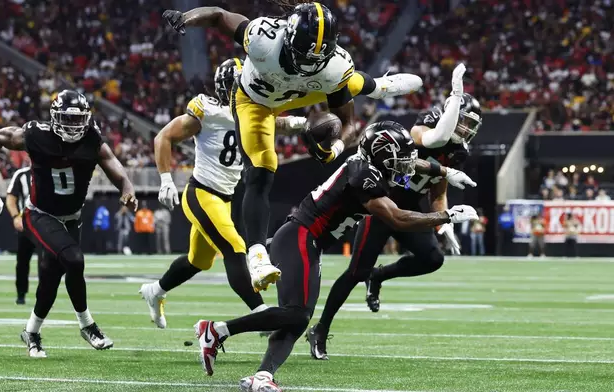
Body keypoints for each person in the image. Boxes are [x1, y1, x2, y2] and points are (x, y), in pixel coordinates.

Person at [192, 121, 479, 391]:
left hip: (309, 240)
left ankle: (262, 375)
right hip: (300, 235)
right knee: (297, 313)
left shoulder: (370, 165)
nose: (405, 164)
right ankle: (217, 330)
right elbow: (398, 218)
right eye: (399, 157)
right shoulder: (363, 174)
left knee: (297, 317)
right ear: (381, 155)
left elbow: (411, 162)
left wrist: (444, 172)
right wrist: (445, 216)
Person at [162, 2, 423, 291]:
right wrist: (185, 17)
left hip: (299, 93)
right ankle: (258, 256)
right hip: (256, 101)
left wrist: (334, 149)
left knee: (355, 84)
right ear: (289, 37)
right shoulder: (264, 38)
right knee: (262, 167)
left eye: (319, 56)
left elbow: (347, 124)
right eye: (305, 52)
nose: (310, 61)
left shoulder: (334, 65)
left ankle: (380, 87)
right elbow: (219, 15)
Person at [307, 79, 483, 358]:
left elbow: (438, 188)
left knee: (433, 259)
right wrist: (444, 177)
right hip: (378, 204)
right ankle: (321, 328)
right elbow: (421, 152)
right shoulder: (429, 125)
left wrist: (443, 221)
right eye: (464, 122)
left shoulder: (458, 151)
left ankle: (379, 276)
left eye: (472, 125)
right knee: (355, 272)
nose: (467, 130)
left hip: (410, 209)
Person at [140, 58, 306, 328]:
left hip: (224, 198)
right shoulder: (208, 110)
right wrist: (166, 179)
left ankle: (155, 290)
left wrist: (302, 123)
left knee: (198, 261)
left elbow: (275, 124)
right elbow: (163, 137)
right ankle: (262, 313)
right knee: (235, 248)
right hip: (201, 193)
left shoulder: (251, 111)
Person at [0, 90, 138, 358]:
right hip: (39, 215)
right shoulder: (37, 135)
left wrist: (127, 188)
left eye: (78, 120)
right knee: (74, 260)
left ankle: (31, 332)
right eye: (67, 119)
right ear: (55, 117)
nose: (73, 126)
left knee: (50, 278)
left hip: (72, 219)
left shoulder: (91, 138)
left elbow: (113, 164)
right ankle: (88, 326)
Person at [5, 165, 38, 304]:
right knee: (23, 261)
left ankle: (45, 296)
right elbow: (11, 198)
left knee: (47, 263)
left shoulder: (50, 170)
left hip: (47, 224)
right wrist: (15, 217)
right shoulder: (21, 174)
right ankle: (21, 294)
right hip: (26, 224)